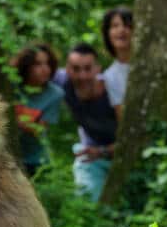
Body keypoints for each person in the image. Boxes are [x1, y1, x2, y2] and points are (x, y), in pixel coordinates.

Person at [57, 43, 117, 202]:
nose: (82, 76)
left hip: (118, 152)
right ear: (67, 69)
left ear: (98, 69)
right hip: (90, 155)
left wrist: (102, 151)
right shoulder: (62, 81)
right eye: (76, 69)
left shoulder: (113, 90)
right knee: (86, 201)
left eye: (88, 68)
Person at [10, 43, 64, 176]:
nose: (45, 69)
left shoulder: (55, 94)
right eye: (38, 64)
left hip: (37, 162)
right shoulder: (11, 86)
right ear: (26, 66)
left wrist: (13, 120)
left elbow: (39, 129)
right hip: (9, 159)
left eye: (47, 64)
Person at [101, 5, 133, 116]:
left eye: (126, 25)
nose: (121, 30)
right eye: (115, 26)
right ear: (107, 33)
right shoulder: (109, 76)